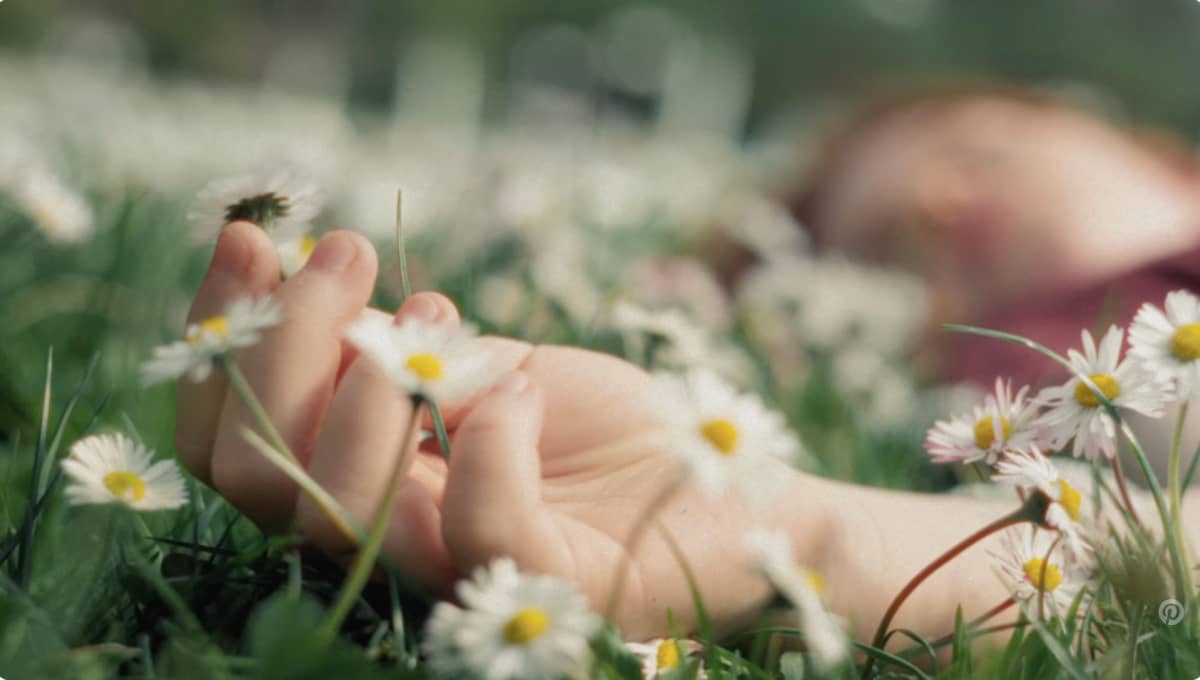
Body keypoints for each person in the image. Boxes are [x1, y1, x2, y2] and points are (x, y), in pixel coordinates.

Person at [788, 83, 1200, 473]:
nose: (935, 197)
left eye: (965, 153)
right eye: (891, 247)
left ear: (1071, 116)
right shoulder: (1028, 385)